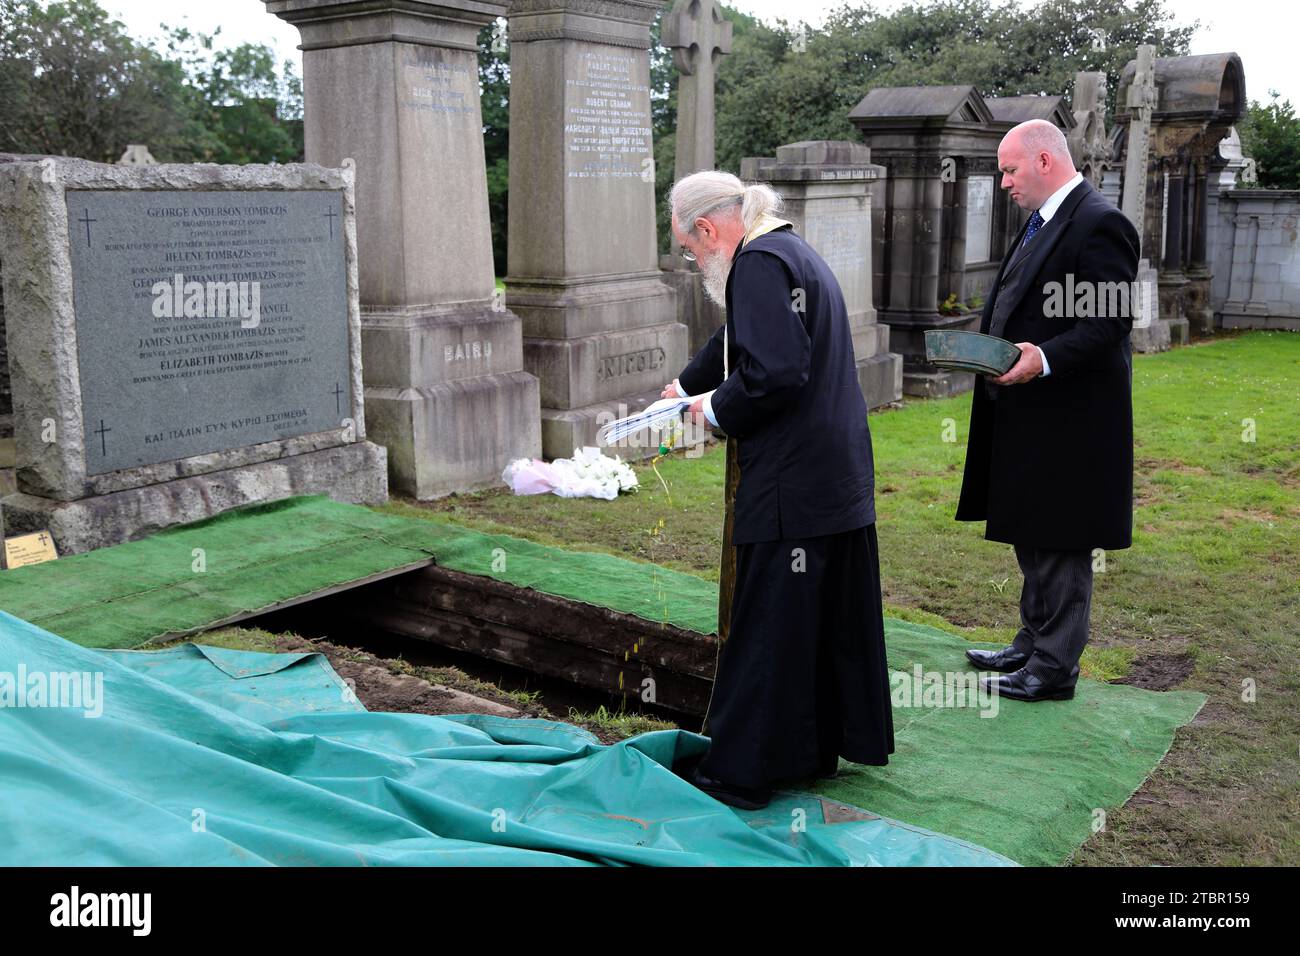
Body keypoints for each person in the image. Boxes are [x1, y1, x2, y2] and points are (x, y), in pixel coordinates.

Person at [661, 170, 894, 810]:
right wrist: (685, 386)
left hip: (794, 481)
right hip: (832, 475)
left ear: (709, 229)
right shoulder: (786, 247)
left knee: (767, 624)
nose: (693, 261)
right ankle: (807, 751)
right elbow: (740, 336)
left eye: (690, 248)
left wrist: (708, 412)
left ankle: (739, 772)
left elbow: (774, 373)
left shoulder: (757, 265)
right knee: (811, 625)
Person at [956, 119, 1140, 702]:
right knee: (1029, 526)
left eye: (1010, 169)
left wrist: (1043, 359)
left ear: (1042, 162)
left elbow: (1109, 323)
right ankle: (1033, 640)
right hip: (1026, 410)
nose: (1004, 181)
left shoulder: (1099, 222)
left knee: (1060, 537)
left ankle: (1055, 667)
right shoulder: (1045, 220)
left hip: (1071, 418)